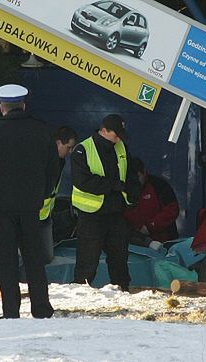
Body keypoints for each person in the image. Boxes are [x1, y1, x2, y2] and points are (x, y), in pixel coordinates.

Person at [0, 84, 59, 319]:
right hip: (31, 207)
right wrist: (42, 193)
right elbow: (53, 168)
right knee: (34, 259)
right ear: (23, 105)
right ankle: (41, 307)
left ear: (2, 107)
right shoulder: (41, 130)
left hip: (1, 209)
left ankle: (11, 310)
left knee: (6, 262)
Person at [71, 114, 140, 291]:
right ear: (104, 130)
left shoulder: (121, 147)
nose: (118, 140)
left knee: (119, 257)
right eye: (115, 135)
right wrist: (115, 186)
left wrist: (132, 192)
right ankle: (82, 292)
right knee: (88, 259)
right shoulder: (83, 149)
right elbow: (83, 181)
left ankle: (122, 289)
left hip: (116, 212)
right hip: (92, 214)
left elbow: (130, 173)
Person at [38, 126, 78, 264]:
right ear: (58, 142)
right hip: (32, 213)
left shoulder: (60, 161)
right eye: (69, 147)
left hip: (45, 214)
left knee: (46, 255)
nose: (70, 151)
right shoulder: (42, 159)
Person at [124, 158, 179, 251]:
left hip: (163, 242)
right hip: (133, 243)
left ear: (144, 172)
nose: (135, 182)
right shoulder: (123, 189)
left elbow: (172, 210)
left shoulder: (159, 185)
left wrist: (150, 226)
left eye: (138, 177)